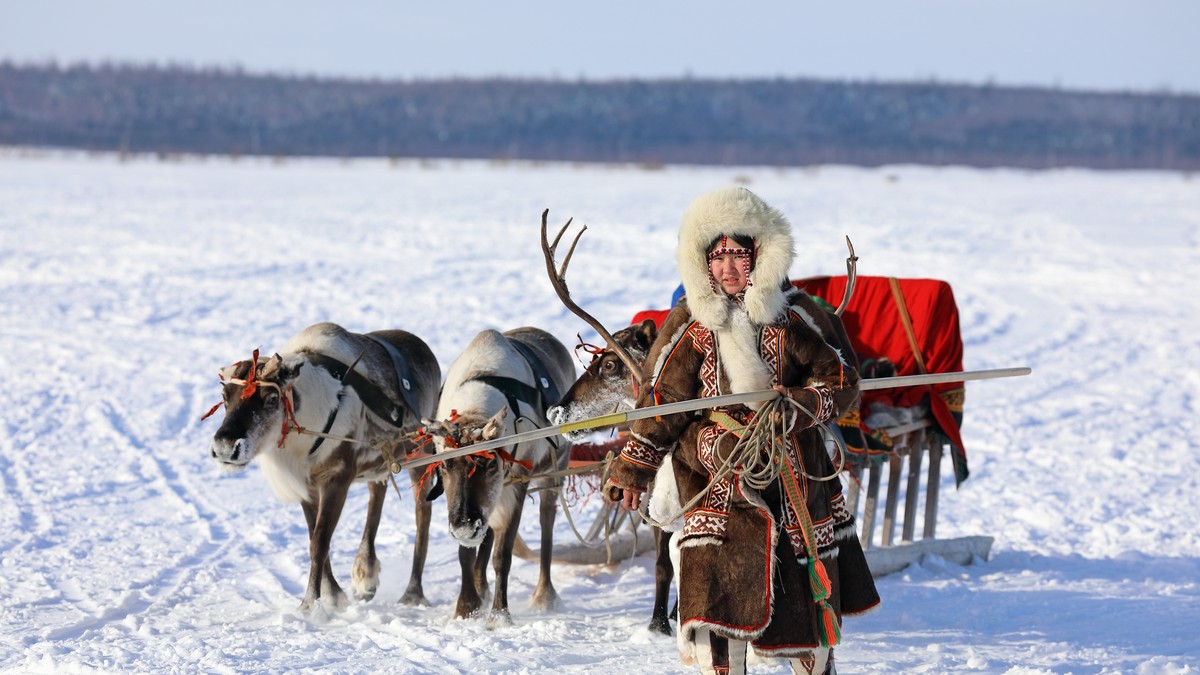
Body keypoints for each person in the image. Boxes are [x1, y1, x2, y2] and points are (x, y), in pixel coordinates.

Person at [602, 187, 879, 675]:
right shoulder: (690, 326)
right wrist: (632, 467)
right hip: (715, 487)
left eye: (739, 256)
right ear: (702, 263)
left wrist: (795, 407)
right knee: (718, 617)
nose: (728, 268)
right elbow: (662, 402)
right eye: (718, 257)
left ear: (760, 257)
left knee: (807, 621)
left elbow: (840, 380)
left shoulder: (797, 317)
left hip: (793, 485)